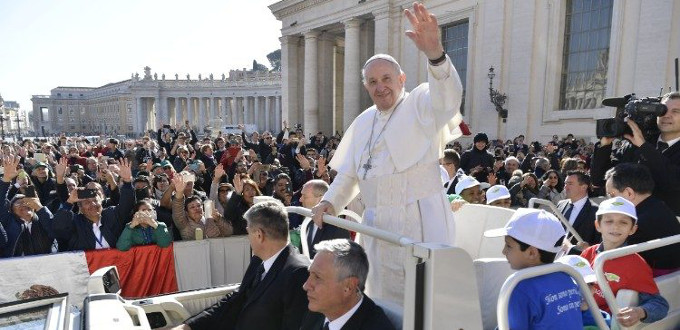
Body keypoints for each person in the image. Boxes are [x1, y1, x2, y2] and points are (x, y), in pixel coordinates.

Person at [312, 2, 463, 303]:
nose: (380, 87)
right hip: (378, 226)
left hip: (420, 222)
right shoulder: (364, 120)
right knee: (380, 298)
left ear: (402, 79)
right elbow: (351, 174)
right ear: (366, 86)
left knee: (423, 302)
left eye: (386, 79)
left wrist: (435, 54)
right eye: (372, 81)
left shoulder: (420, 103)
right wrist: (330, 201)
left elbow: (448, 97)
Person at [175, 201, 310, 330]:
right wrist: (189, 326)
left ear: (259, 235)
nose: (248, 238)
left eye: (248, 232)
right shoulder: (259, 261)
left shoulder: (298, 274)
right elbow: (237, 298)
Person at [484, 208, 583, 329]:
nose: (503, 251)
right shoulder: (567, 278)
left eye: (508, 246)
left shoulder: (521, 289)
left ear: (531, 253)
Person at [579, 197, 669, 327]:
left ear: (633, 229)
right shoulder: (588, 253)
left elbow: (660, 304)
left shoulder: (637, 264)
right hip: (577, 315)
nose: (615, 226)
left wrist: (639, 312)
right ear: (598, 225)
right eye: (609, 221)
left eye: (623, 222)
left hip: (600, 324)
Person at [591, 91, 680, 215]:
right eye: (662, 110)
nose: (666, 115)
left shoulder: (642, 144)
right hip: (628, 223)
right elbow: (599, 180)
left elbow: (673, 182)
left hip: (670, 228)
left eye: (675, 111)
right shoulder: (636, 144)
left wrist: (644, 147)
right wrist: (605, 146)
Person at [603, 163, 680, 276]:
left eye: (611, 195)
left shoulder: (636, 224)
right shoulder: (659, 206)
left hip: (649, 287)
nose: (609, 200)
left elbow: (609, 261)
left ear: (629, 193)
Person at [301, 239, 395, 330]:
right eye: (310, 274)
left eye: (317, 277)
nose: (306, 286)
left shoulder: (377, 326)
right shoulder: (318, 309)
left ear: (349, 287)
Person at [52, 159, 135, 251]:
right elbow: (58, 226)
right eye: (87, 202)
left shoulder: (111, 214)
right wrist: (69, 202)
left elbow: (126, 205)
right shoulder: (75, 222)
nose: (93, 204)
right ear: (81, 208)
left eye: (95, 200)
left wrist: (127, 182)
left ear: (102, 199)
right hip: (87, 264)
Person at [0, 155, 55, 257]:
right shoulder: (8, 221)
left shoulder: (42, 220)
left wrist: (40, 207)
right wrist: (6, 180)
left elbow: (55, 230)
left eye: (27, 202)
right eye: (19, 203)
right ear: (11, 210)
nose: (24, 204)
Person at [171, 175, 232, 241]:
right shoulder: (184, 224)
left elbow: (229, 232)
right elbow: (177, 209)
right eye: (192, 207)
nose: (196, 208)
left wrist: (219, 219)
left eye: (198, 205)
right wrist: (179, 192)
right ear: (187, 212)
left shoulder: (211, 219)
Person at [300, 180, 350, 259]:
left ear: (321, 199)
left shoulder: (337, 229)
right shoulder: (308, 223)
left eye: (304, 196)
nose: (300, 200)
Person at [556, 170, 600, 246]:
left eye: (570, 184)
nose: (565, 187)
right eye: (565, 183)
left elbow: (598, 241)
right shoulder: (561, 204)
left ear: (584, 187)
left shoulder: (596, 211)